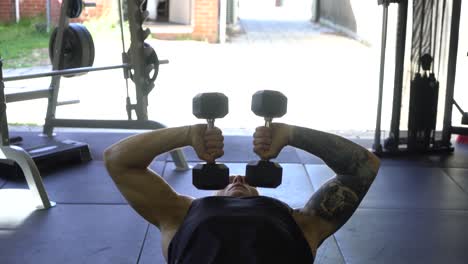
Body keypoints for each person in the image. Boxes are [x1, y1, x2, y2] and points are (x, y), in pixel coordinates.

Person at [104, 123, 380, 263]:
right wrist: (187, 134)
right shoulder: (181, 214)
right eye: (228, 183)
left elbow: (365, 166)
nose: (237, 177)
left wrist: (292, 133)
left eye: (246, 181)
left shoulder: (299, 222)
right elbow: (116, 158)